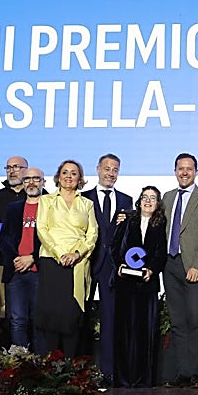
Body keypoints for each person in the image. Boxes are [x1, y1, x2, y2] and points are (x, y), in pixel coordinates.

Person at [161, 153, 198, 387]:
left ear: (196, 171)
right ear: (175, 171)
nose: (184, 172)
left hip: (193, 265)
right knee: (177, 321)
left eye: (189, 169)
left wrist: (197, 265)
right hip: (170, 264)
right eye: (180, 168)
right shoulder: (167, 197)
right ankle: (182, 372)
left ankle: (195, 373)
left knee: (195, 320)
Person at [34, 159, 98, 359]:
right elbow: (42, 229)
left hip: (78, 263)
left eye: (74, 173)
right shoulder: (46, 200)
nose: (69, 176)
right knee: (52, 316)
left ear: (80, 178)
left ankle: (72, 368)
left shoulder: (87, 203)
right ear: (58, 177)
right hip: (52, 261)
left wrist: (77, 254)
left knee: (73, 315)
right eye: (65, 172)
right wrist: (60, 253)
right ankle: (52, 366)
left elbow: (92, 234)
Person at [82, 153, 133, 379]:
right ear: (98, 169)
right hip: (86, 263)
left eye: (115, 169)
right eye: (107, 168)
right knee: (80, 318)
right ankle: (79, 370)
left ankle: (109, 371)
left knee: (110, 319)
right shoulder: (83, 198)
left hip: (112, 268)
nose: (111, 173)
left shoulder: (126, 200)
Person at [110, 185, 166, 387]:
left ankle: (144, 380)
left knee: (145, 333)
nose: (148, 201)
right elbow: (114, 247)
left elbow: (161, 253)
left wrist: (151, 269)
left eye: (153, 197)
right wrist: (119, 266)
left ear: (158, 203)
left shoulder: (161, 224)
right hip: (125, 284)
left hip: (147, 285)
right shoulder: (127, 220)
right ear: (139, 200)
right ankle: (124, 379)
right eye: (145, 197)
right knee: (124, 333)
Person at [0, 166, 45, 352]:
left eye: (36, 179)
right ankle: (19, 364)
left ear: (43, 182)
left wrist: (32, 258)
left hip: (39, 271)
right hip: (15, 271)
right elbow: (4, 238)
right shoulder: (14, 208)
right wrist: (17, 259)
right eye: (27, 179)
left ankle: (41, 364)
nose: (31, 182)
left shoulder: (50, 207)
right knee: (17, 320)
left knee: (38, 320)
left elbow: (53, 239)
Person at [0, 154, 28, 341]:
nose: (12, 170)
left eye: (16, 167)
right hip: (4, 261)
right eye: (8, 167)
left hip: (33, 262)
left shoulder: (41, 196)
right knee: (7, 311)